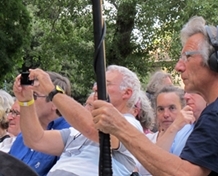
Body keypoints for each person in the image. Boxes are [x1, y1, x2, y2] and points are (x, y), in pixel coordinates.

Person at [92, 16, 218, 175]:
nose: (178, 67)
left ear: (217, 60)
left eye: (187, 57)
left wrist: (120, 126)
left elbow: (184, 173)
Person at [13, 65, 144, 175]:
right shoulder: (76, 132)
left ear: (126, 93)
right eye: (96, 83)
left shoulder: (131, 125)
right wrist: (26, 100)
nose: (95, 88)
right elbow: (35, 140)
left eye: (105, 83)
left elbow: (94, 130)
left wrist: (51, 90)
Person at [9, 71, 71, 176]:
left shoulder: (71, 136)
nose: (27, 98)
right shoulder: (23, 136)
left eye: (34, 95)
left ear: (55, 103)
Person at [136, 85, 194, 176]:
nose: (166, 114)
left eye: (172, 108)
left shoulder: (192, 136)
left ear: (183, 108)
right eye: (161, 109)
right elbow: (145, 170)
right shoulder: (148, 139)